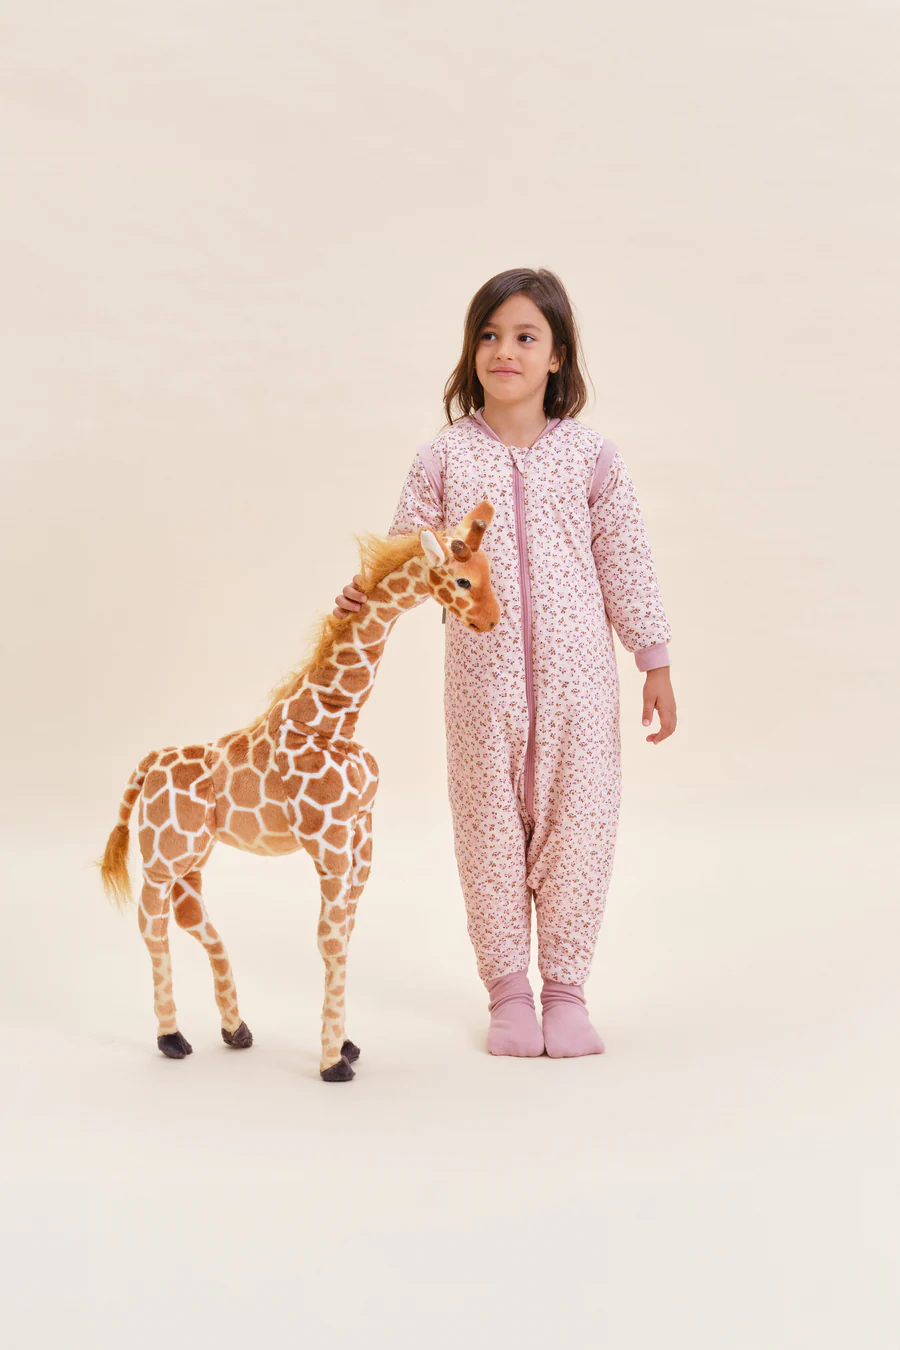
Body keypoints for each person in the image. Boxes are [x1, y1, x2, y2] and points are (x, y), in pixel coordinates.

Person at [333, 267, 677, 1058]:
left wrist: (653, 660)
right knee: (488, 840)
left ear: (558, 356)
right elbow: (407, 555)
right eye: (489, 335)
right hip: (480, 694)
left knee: (579, 837)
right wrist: (365, 592)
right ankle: (509, 995)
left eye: (525, 336)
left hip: (580, 693)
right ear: (471, 350)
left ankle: (566, 993)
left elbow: (626, 560)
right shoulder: (444, 459)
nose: (504, 351)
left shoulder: (590, 457)